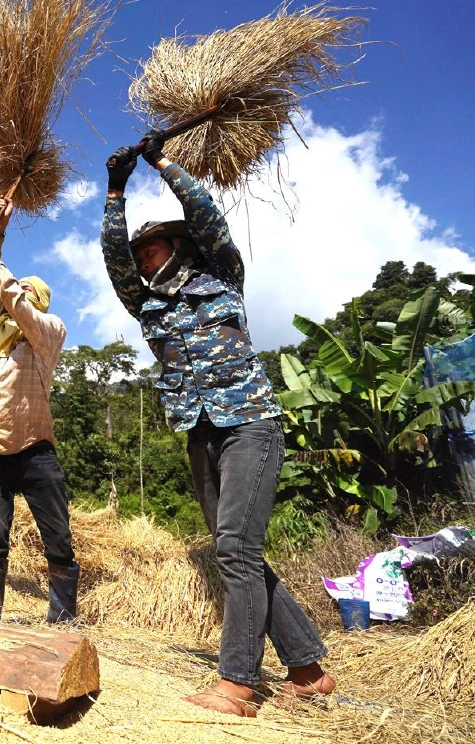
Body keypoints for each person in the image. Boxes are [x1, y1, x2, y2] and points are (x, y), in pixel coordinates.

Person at [101, 133, 334, 716]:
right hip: (199, 433)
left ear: (178, 247)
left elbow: (208, 217)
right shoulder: (147, 303)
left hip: (250, 424)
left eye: (153, 247)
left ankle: (238, 684)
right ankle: (306, 669)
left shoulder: (223, 276)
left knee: (235, 548)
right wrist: (115, 191)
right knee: (240, 553)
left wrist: (162, 164)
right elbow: (112, 259)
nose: (145, 256)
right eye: (142, 251)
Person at [0, 201, 79, 624]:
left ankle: (63, 616)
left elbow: (12, 296)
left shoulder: (48, 332)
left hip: (36, 451)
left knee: (57, 536)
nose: (16, 293)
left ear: (40, 302)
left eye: (26, 290)